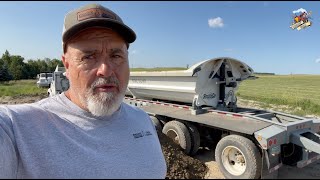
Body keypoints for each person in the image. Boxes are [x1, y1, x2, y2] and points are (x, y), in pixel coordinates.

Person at [0, 3, 167, 178]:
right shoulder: (17, 129)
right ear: (67, 65)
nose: (106, 70)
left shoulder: (142, 119)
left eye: (116, 56)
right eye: (88, 56)